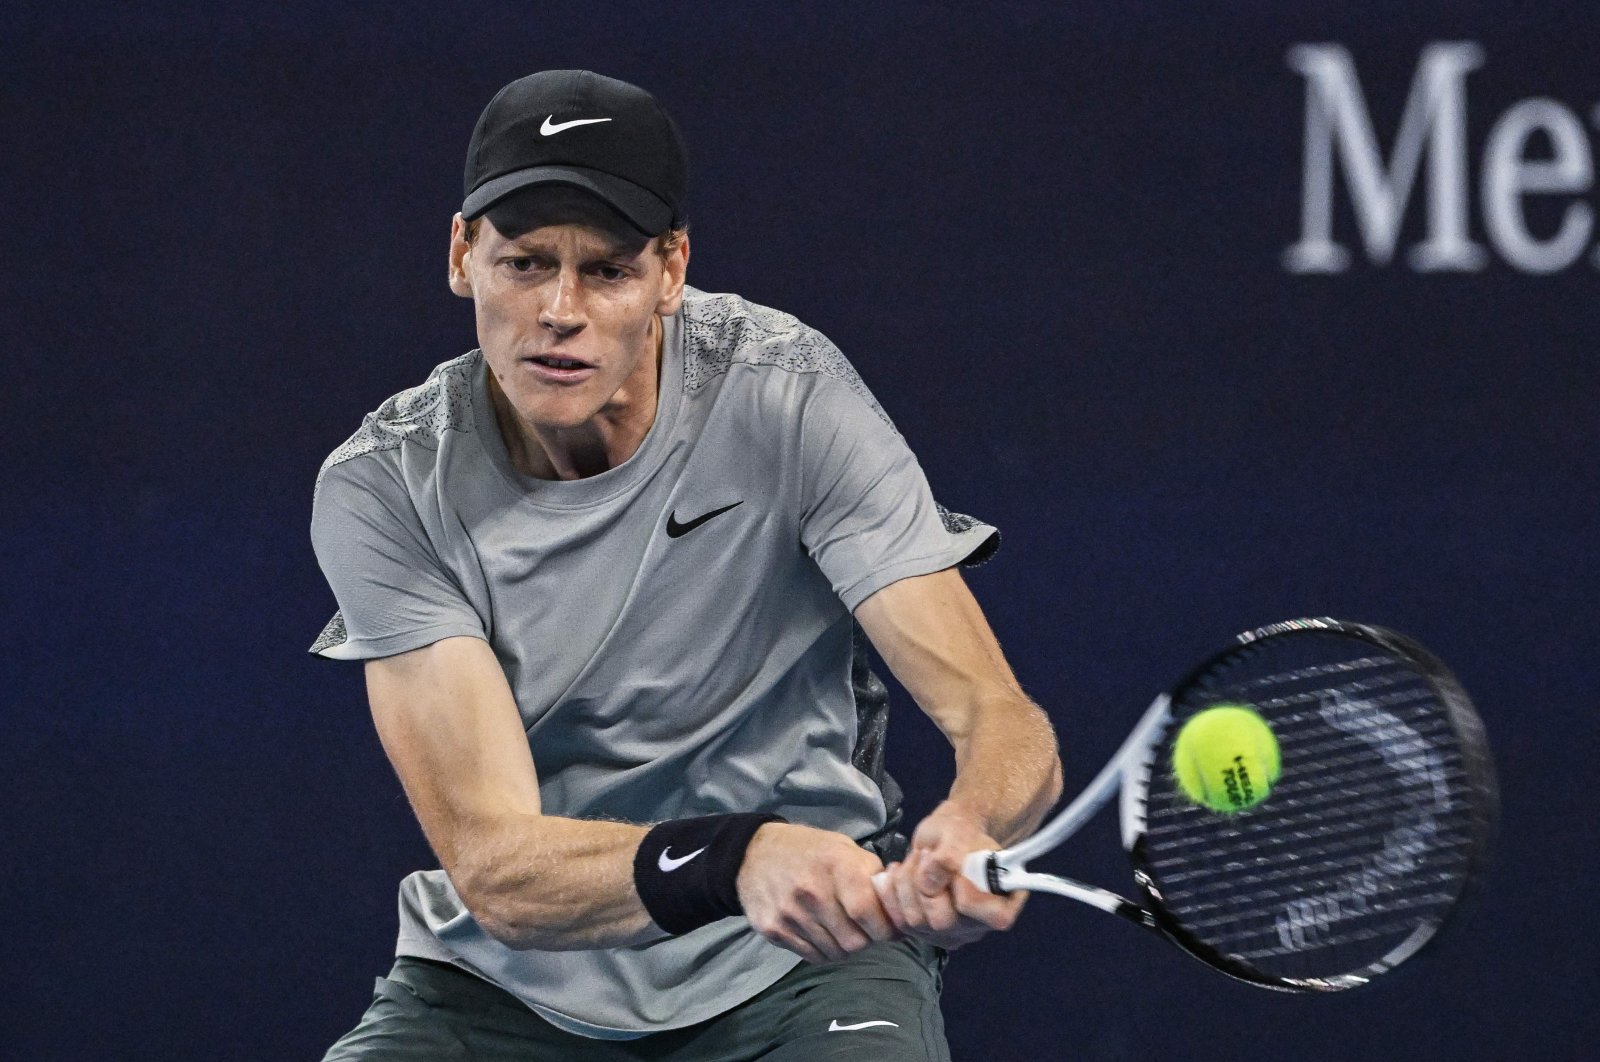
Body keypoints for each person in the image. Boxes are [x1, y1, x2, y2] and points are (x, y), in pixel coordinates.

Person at [310, 69, 1062, 1060]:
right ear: (462, 257)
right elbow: (495, 866)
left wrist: (973, 821)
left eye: (608, 271)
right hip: (505, 990)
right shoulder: (387, 485)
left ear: (671, 270)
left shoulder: (785, 397)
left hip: (797, 966)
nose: (560, 310)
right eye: (526, 264)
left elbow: (999, 717)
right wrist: (733, 857)